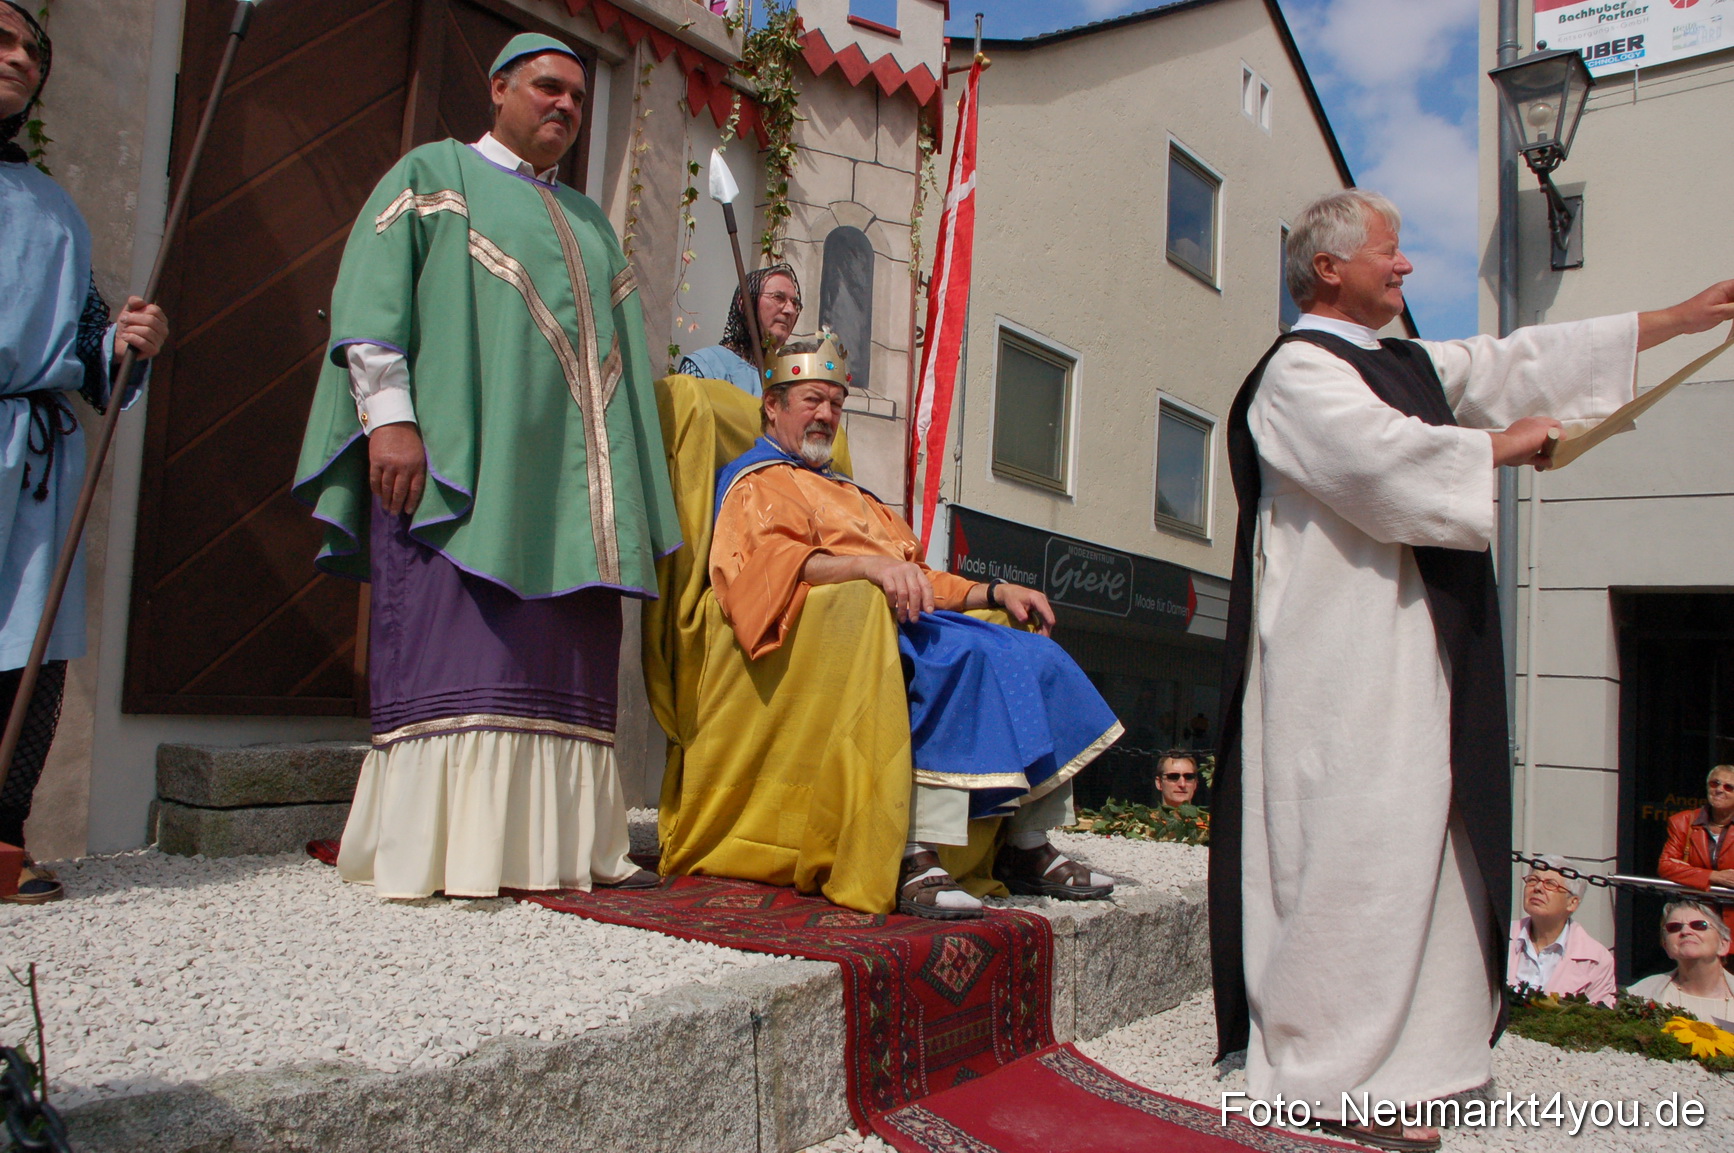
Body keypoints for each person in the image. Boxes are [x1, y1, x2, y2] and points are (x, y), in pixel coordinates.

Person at [1209, 186, 1734, 1151]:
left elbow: (1521, 361)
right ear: (1329, 268)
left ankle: (1419, 1058)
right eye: (1389, 251)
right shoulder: (1296, 372)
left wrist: (1686, 316)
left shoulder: (1403, 361)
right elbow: (1377, 462)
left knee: (1424, 841)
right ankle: (1326, 1076)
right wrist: (1498, 446)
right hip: (1337, 662)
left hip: (1418, 653)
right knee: (1349, 852)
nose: (1406, 266)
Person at [293, 33, 679, 900]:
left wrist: (630, 502)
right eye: (549, 88)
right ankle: (450, 853)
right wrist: (389, 420)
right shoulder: (434, 176)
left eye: (578, 98)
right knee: (458, 647)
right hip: (458, 477)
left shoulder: (588, 223)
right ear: (498, 87)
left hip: (567, 498)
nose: (566, 108)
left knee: (567, 660)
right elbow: (372, 301)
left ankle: (559, 851)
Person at [709, 333, 1120, 918]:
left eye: (835, 403)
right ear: (772, 406)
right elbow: (763, 570)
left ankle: (1025, 845)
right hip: (838, 634)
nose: (826, 414)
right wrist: (867, 569)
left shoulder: (857, 495)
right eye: (810, 400)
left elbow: (919, 575)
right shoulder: (757, 482)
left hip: (905, 619)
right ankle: (910, 853)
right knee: (962, 659)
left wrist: (993, 590)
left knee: (1033, 653)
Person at [0, 2, 164, 904]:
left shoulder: (53, 208)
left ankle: (1, 835)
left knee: (23, 652)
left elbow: (91, 352)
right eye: (3, 41)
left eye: (34, 49)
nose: (22, 59)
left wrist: (129, 341)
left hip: (26, 467)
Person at [675, 264, 802, 395]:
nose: (790, 310)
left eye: (794, 303)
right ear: (744, 305)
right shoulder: (707, 366)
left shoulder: (789, 379)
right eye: (778, 297)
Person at [1506, 856, 1616, 1007]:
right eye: (1532, 880)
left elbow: (1599, 1021)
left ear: (1572, 903)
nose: (1537, 888)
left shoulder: (1596, 959)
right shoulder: (1500, 935)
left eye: (1550, 884)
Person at [1627, 900, 1734, 1031]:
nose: (1685, 931)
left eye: (1699, 925)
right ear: (1666, 947)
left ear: (1723, 945)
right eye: (1674, 927)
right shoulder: (1641, 995)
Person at [1658, 764, 1734, 940]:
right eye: (1714, 784)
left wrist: (1687, 872)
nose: (1719, 790)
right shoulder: (1683, 822)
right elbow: (1666, 866)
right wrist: (1714, 876)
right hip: (1697, 919)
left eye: (1728, 787)